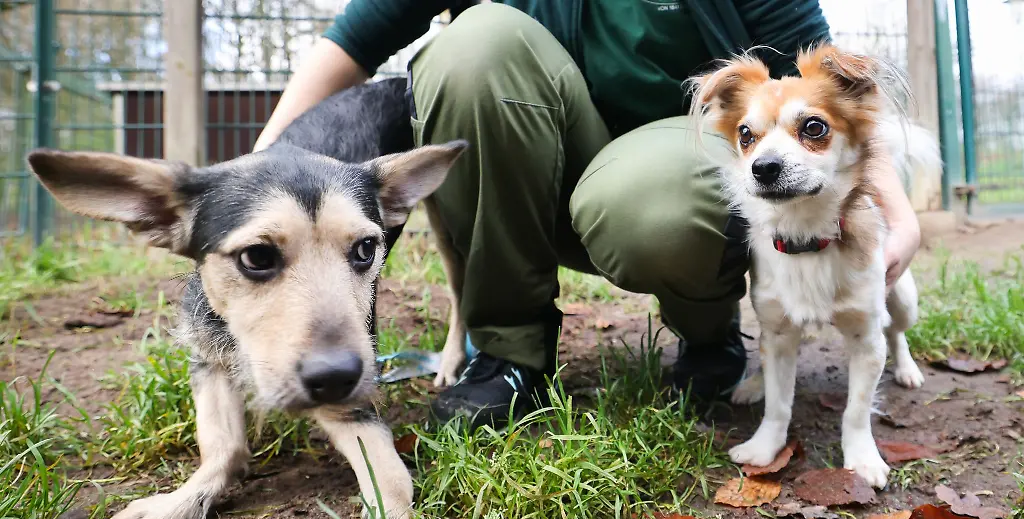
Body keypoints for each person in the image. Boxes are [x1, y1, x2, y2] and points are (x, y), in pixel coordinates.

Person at [253, 1, 922, 429]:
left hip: (665, 169)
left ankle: (707, 331)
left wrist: (894, 209)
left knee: (658, 207)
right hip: (534, 159)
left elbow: (839, 99)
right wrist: (253, 183)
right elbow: (350, 42)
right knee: (471, 45)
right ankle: (507, 352)